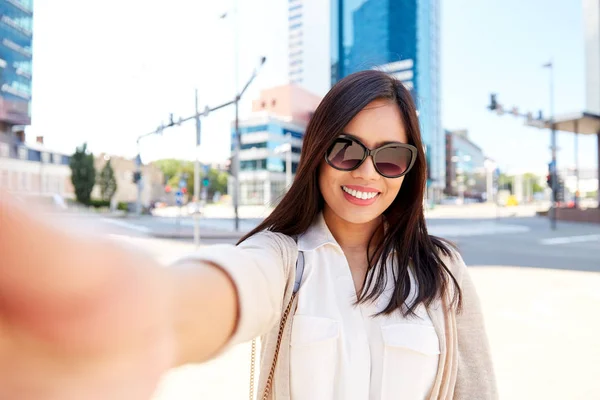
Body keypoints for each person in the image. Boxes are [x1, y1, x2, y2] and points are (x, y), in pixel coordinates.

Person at [0, 70, 497, 400]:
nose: (367, 172)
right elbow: (223, 289)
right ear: (318, 153)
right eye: (348, 149)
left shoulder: (442, 270)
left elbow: (478, 390)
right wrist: (139, 315)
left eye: (390, 156)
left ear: (410, 169)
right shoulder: (284, 259)